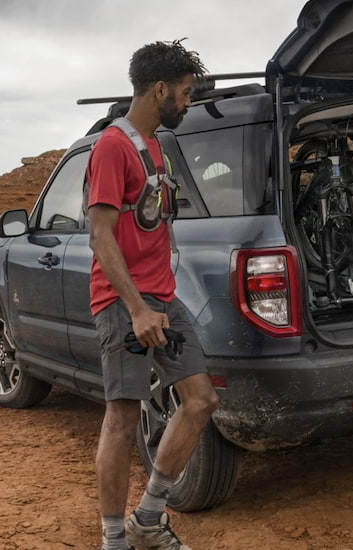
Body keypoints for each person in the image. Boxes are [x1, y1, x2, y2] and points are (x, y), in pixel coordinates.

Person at [86, 40, 218, 550]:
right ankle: (114, 540)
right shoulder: (112, 147)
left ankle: (148, 518)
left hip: (162, 299)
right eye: (184, 93)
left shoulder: (155, 144)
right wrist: (136, 308)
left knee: (201, 400)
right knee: (122, 417)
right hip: (125, 306)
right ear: (159, 89)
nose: (187, 103)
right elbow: (101, 236)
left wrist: (155, 300)